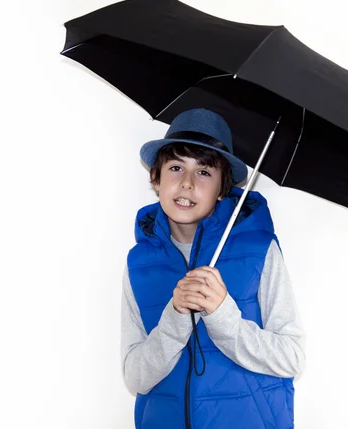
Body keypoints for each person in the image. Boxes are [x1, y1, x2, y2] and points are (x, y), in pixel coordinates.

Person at [121, 108, 305, 428]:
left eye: (204, 172)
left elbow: (292, 358)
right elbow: (135, 378)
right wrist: (177, 317)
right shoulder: (139, 263)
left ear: (223, 189)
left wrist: (223, 315)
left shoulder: (259, 250)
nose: (188, 184)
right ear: (156, 178)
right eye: (176, 167)